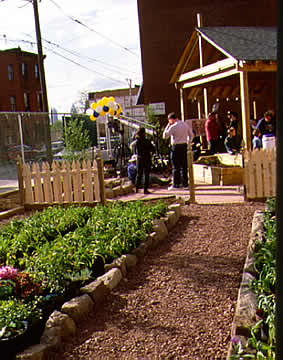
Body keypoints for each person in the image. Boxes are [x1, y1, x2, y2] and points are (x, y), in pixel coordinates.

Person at [162, 112, 193, 190]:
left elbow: (165, 136)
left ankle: (176, 184)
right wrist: (188, 142)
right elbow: (191, 135)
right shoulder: (185, 124)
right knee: (184, 166)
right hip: (184, 145)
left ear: (171, 119)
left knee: (176, 166)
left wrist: (168, 126)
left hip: (176, 146)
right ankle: (185, 184)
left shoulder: (174, 126)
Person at [130, 127, 155, 194]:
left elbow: (135, 150)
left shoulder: (136, 142)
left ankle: (137, 188)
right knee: (146, 174)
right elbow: (153, 149)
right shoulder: (147, 141)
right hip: (146, 158)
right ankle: (145, 189)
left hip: (139, 158)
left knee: (139, 174)